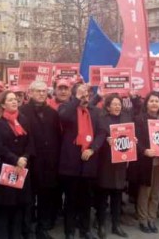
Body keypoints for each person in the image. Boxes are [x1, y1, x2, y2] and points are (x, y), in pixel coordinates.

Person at [58, 83, 102, 239]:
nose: (85, 97)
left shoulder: (95, 111)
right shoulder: (67, 109)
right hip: (71, 163)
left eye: (87, 95)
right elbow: (62, 117)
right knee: (70, 199)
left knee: (86, 199)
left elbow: (101, 133)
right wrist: (76, 99)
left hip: (89, 162)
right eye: (82, 95)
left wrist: (93, 148)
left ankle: (86, 230)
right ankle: (69, 231)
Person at [0, 90, 35, 238]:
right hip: (5, 168)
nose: (14, 102)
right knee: (4, 206)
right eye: (10, 100)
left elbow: (30, 142)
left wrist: (25, 158)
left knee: (18, 206)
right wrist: (15, 159)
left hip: (22, 167)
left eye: (15, 99)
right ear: (2, 104)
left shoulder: (24, 119)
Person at [20, 81, 60, 239]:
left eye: (44, 91)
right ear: (30, 92)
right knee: (28, 198)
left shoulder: (52, 113)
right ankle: (27, 229)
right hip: (29, 161)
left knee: (45, 197)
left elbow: (57, 137)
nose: (41, 94)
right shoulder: (22, 112)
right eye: (38, 91)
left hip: (47, 163)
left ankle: (42, 228)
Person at [94, 94, 131, 238]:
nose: (117, 107)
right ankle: (101, 224)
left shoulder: (126, 119)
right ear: (108, 106)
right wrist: (105, 141)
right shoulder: (101, 120)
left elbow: (129, 138)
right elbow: (98, 138)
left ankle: (116, 225)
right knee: (102, 197)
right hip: (105, 164)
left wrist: (132, 140)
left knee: (117, 196)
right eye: (114, 104)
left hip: (120, 163)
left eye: (119, 104)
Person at [135, 92, 159, 234]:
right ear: (146, 103)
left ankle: (152, 219)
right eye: (151, 101)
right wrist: (144, 151)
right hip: (146, 162)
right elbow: (136, 139)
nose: (154, 103)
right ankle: (143, 220)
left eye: (157, 101)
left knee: (156, 192)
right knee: (145, 191)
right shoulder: (139, 119)